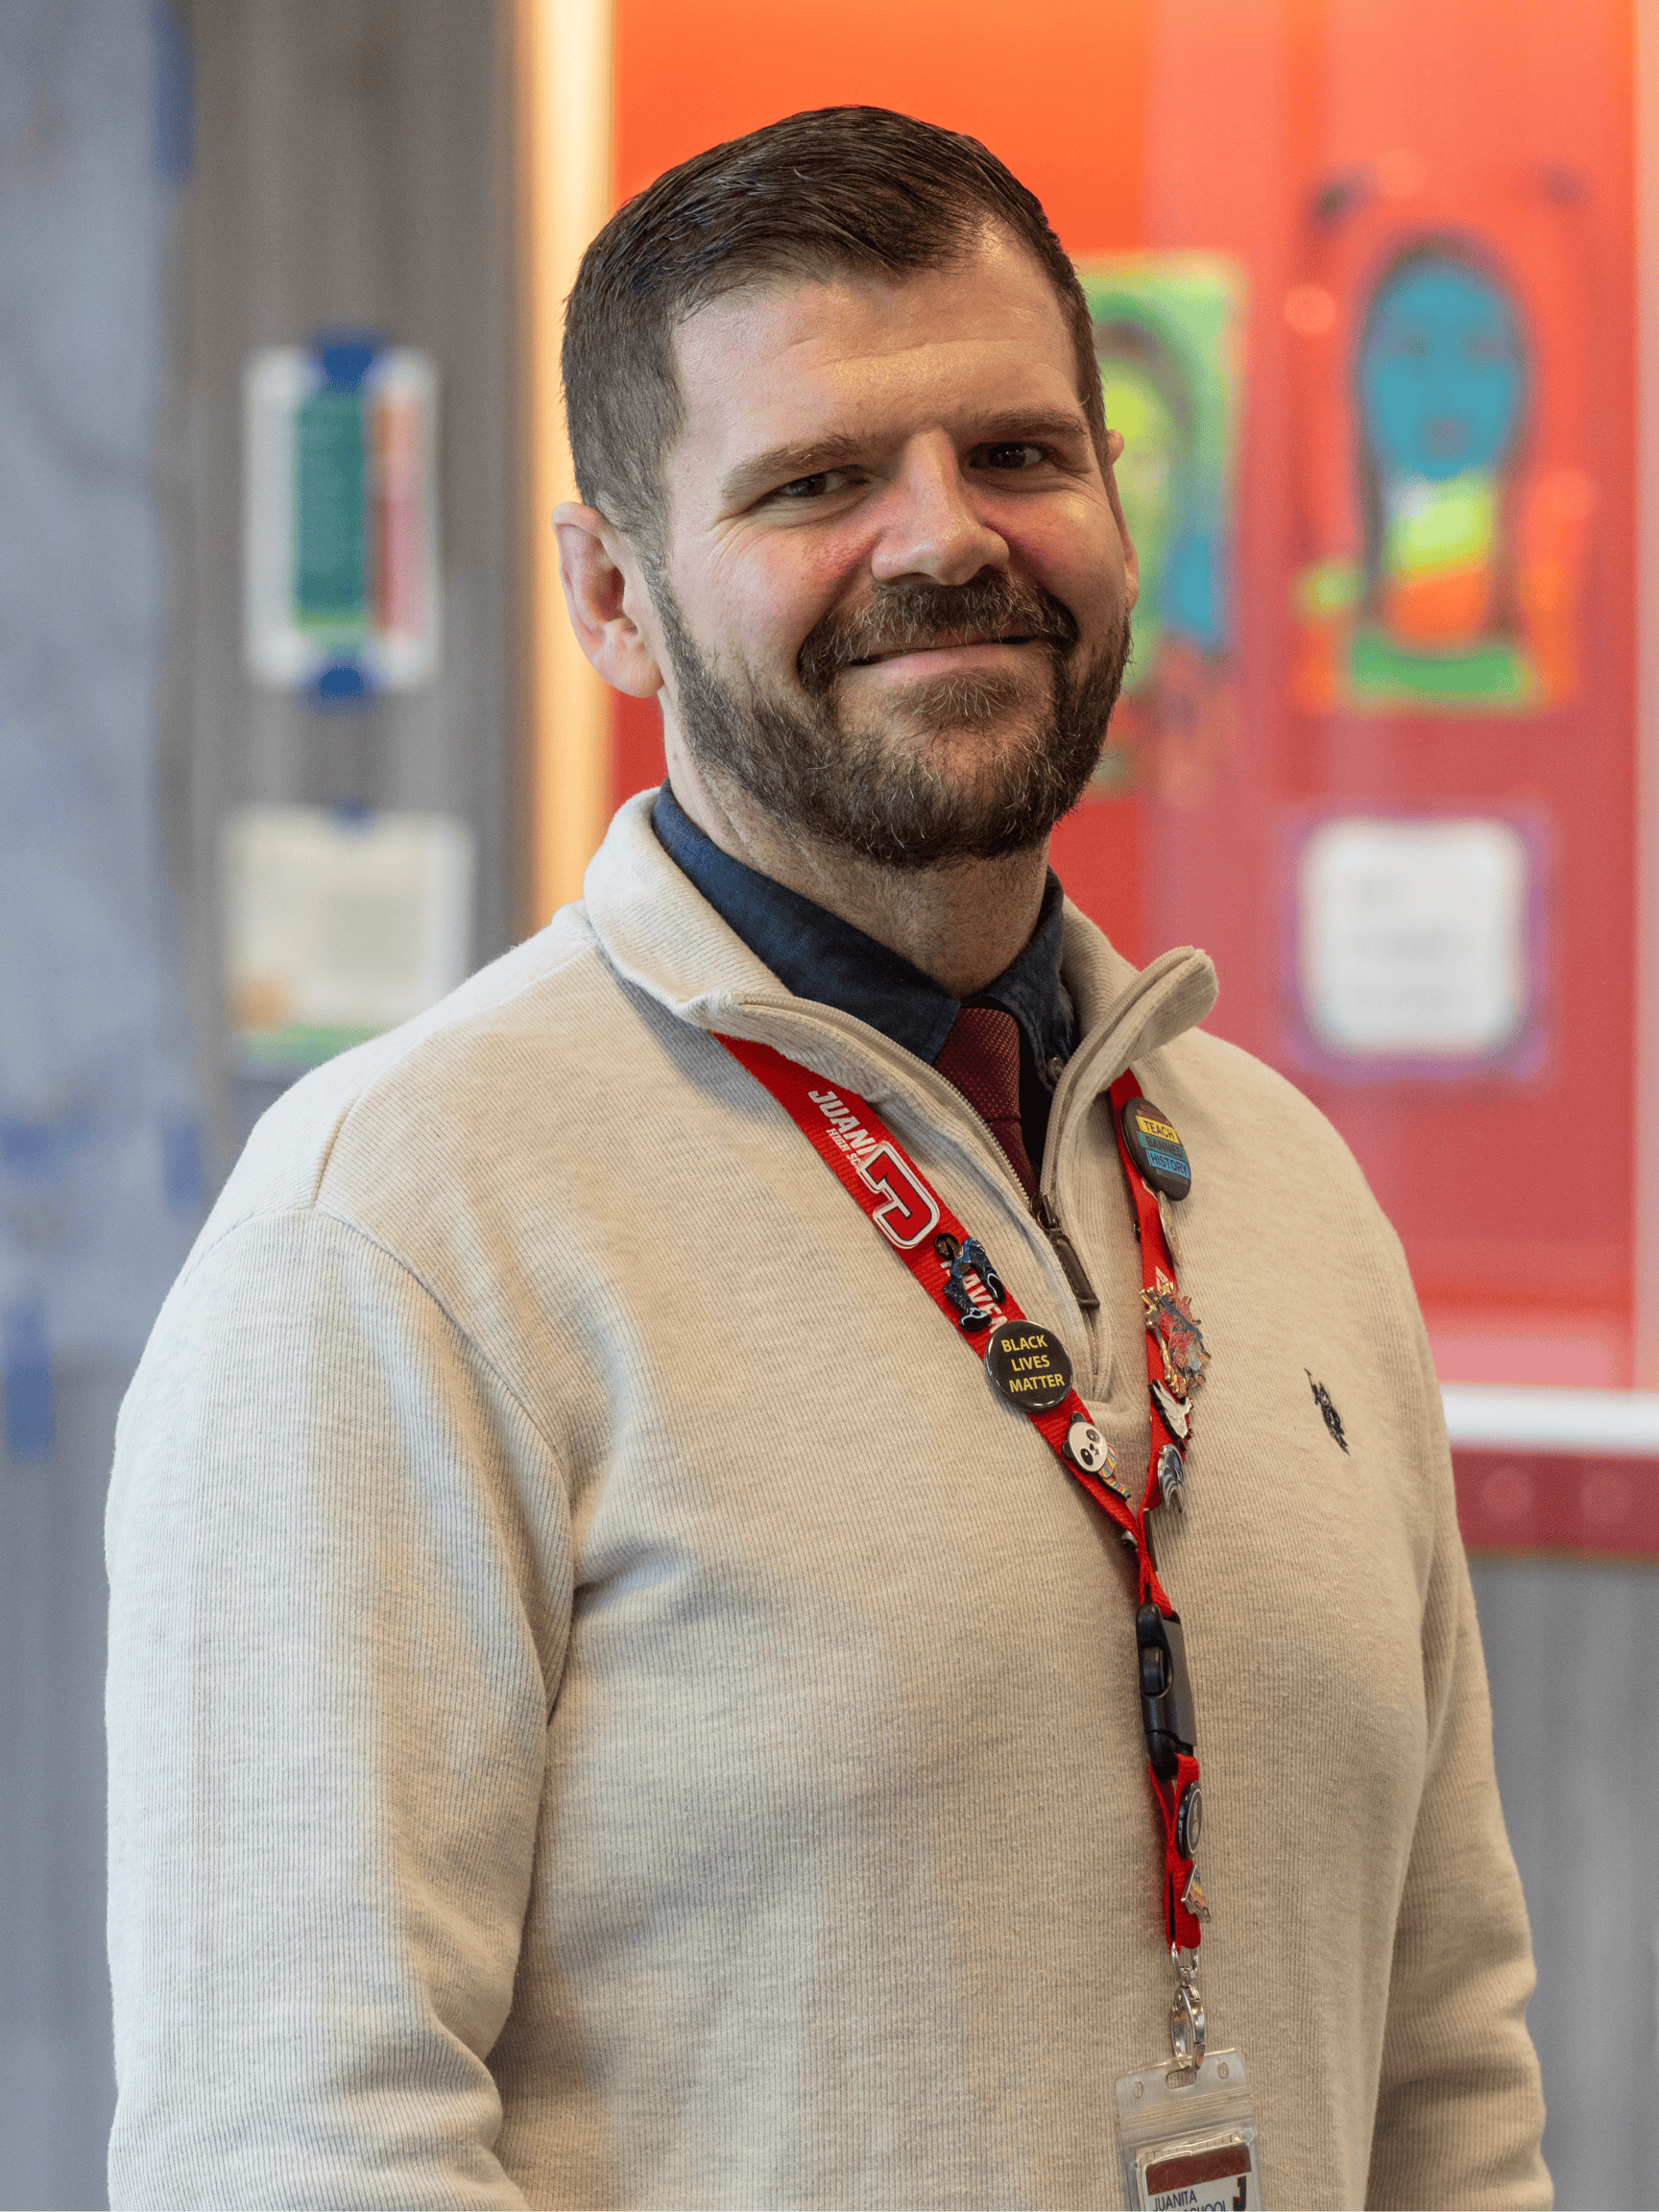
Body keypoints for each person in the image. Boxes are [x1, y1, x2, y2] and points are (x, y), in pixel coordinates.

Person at [106, 107, 1550, 2210]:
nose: (944, 539)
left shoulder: (1285, 1185)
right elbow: (295, 2143)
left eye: (1020, 456)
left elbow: (1450, 2071)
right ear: (610, 593)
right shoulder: (396, 1233)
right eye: (816, 482)